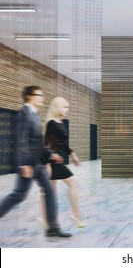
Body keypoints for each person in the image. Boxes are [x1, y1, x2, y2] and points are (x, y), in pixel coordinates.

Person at [0, 86, 72, 237]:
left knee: (49, 191)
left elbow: (39, 143)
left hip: (38, 163)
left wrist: (52, 155)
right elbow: (22, 140)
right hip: (28, 164)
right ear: (29, 96)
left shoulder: (35, 114)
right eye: (39, 95)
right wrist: (23, 164)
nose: (42, 98)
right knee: (19, 195)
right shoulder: (23, 113)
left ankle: (53, 227)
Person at [40, 97, 85, 228]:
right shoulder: (51, 123)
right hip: (54, 161)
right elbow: (46, 145)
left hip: (59, 160)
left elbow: (64, 144)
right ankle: (76, 215)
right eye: (65, 107)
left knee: (50, 191)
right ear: (57, 107)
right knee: (73, 184)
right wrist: (48, 162)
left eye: (68, 107)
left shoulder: (61, 123)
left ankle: (44, 218)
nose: (67, 110)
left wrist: (73, 153)